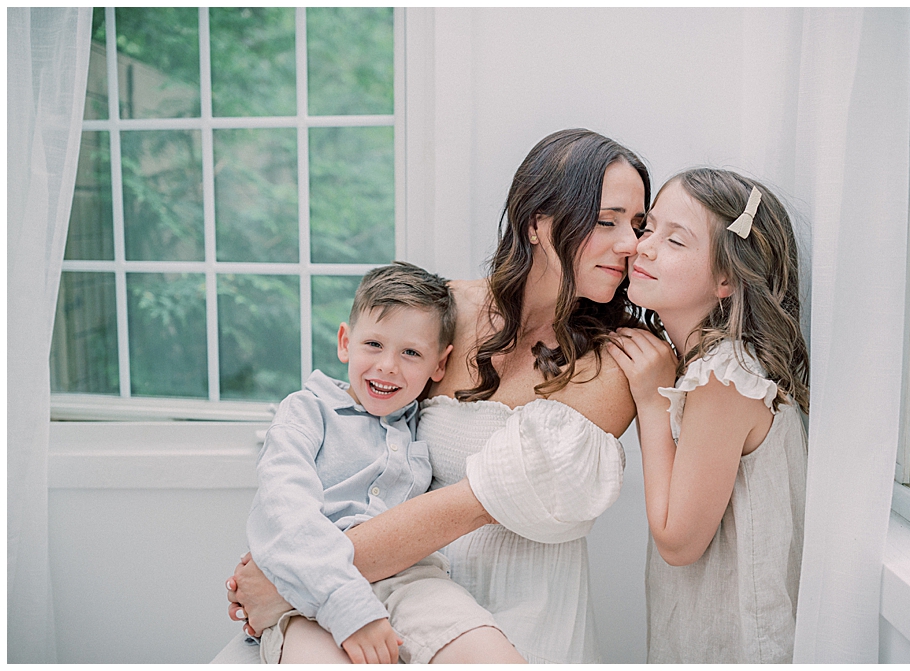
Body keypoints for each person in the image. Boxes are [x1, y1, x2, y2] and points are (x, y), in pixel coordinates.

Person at [223, 129, 651, 663]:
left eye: (636, 225)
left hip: (516, 613)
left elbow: (477, 503)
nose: (632, 244)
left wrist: (297, 577)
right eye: (607, 221)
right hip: (386, 593)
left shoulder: (615, 362)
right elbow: (353, 432)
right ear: (539, 223)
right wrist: (299, 556)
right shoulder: (443, 310)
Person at [245, 261, 524, 664]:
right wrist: (350, 608)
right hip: (310, 588)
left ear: (440, 365)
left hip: (410, 579)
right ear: (345, 341)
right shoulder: (307, 412)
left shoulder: (425, 422)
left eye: (411, 352)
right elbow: (286, 515)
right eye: (373, 344)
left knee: (492, 655)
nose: (388, 365)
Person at [607, 168, 809, 663]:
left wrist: (652, 404)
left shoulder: (725, 378)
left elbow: (678, 543)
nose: (644, 248)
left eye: (675, 241)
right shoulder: (703, 365)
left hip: (738, 643)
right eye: (648, 228)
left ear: (726, 279)